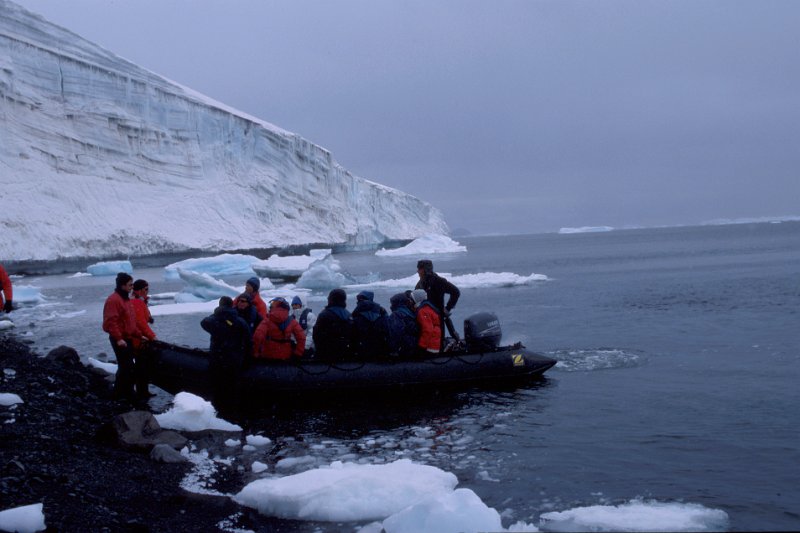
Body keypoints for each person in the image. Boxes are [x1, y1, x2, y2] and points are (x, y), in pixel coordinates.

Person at [200, 296, 252, 412]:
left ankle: (217, 411)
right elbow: (248, 341)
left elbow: (204, 322)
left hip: (217, 360)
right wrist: (247, 359)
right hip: (233, 361)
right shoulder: (240, 321)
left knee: (217, 388)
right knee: (232, 389)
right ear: (231, 305)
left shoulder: (214, 320)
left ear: (220, 305)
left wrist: (216, 315)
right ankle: (232, 413)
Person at [102, 272, 146, 402]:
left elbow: (130, 322)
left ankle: (123, 393)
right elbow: (111, 321)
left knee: (126, 367)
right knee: (127, 367)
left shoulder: (125, 299)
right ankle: (121, 395)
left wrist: (139, 334)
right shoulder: (114, 300)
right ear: (122, 286)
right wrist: (118, 338)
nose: (132, 287)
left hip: (128, 337)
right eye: (130, 285)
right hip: (120, 339)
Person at [415, 259, 460, 345]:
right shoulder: (420, 284)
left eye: (419, 269)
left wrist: (447, 308)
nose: (417, 271)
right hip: (424, 320)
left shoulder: (439, 281)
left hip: (437, 320)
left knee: (438, 343)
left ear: (425, 269)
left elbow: (456, 292)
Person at [130, 279, 157, 399]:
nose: (147, 292)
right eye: (146, 289)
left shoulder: (138, 301)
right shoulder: (137, 302)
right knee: (141, 366)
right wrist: (152, 336)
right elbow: (140, 323)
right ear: (140, 290)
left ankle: (142, 391)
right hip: (137, 339)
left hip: (136, 337)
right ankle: (142, 392)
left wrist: (149, 318)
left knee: (141, 366)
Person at [313, 288, 353, 360]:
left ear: (331, 299)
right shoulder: (349, 315)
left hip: (327, 354)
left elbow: (316, 335)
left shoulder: (324, 315)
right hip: (345, 354)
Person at [351, 290, 389, 358]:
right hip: (380, 349)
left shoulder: (357, 312)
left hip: (361, 350)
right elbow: (388, 327)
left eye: (360, 299)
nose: (358, 301)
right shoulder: (381, 311)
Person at [411, 289, 442, 355]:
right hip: (434, 339)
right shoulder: (428, 307)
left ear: (417, 299)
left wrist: (421, 346)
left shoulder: (423, 310)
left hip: (431, 344)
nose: (411, 301)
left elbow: (428, 330)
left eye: (412, 299)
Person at [387, 292, 419, 357]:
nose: (391, 306)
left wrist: (394, 350)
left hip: (404, 348)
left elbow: (396, 333)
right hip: (414, 343)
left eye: (392, 303)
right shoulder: (410, 312)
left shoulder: (396, 315)